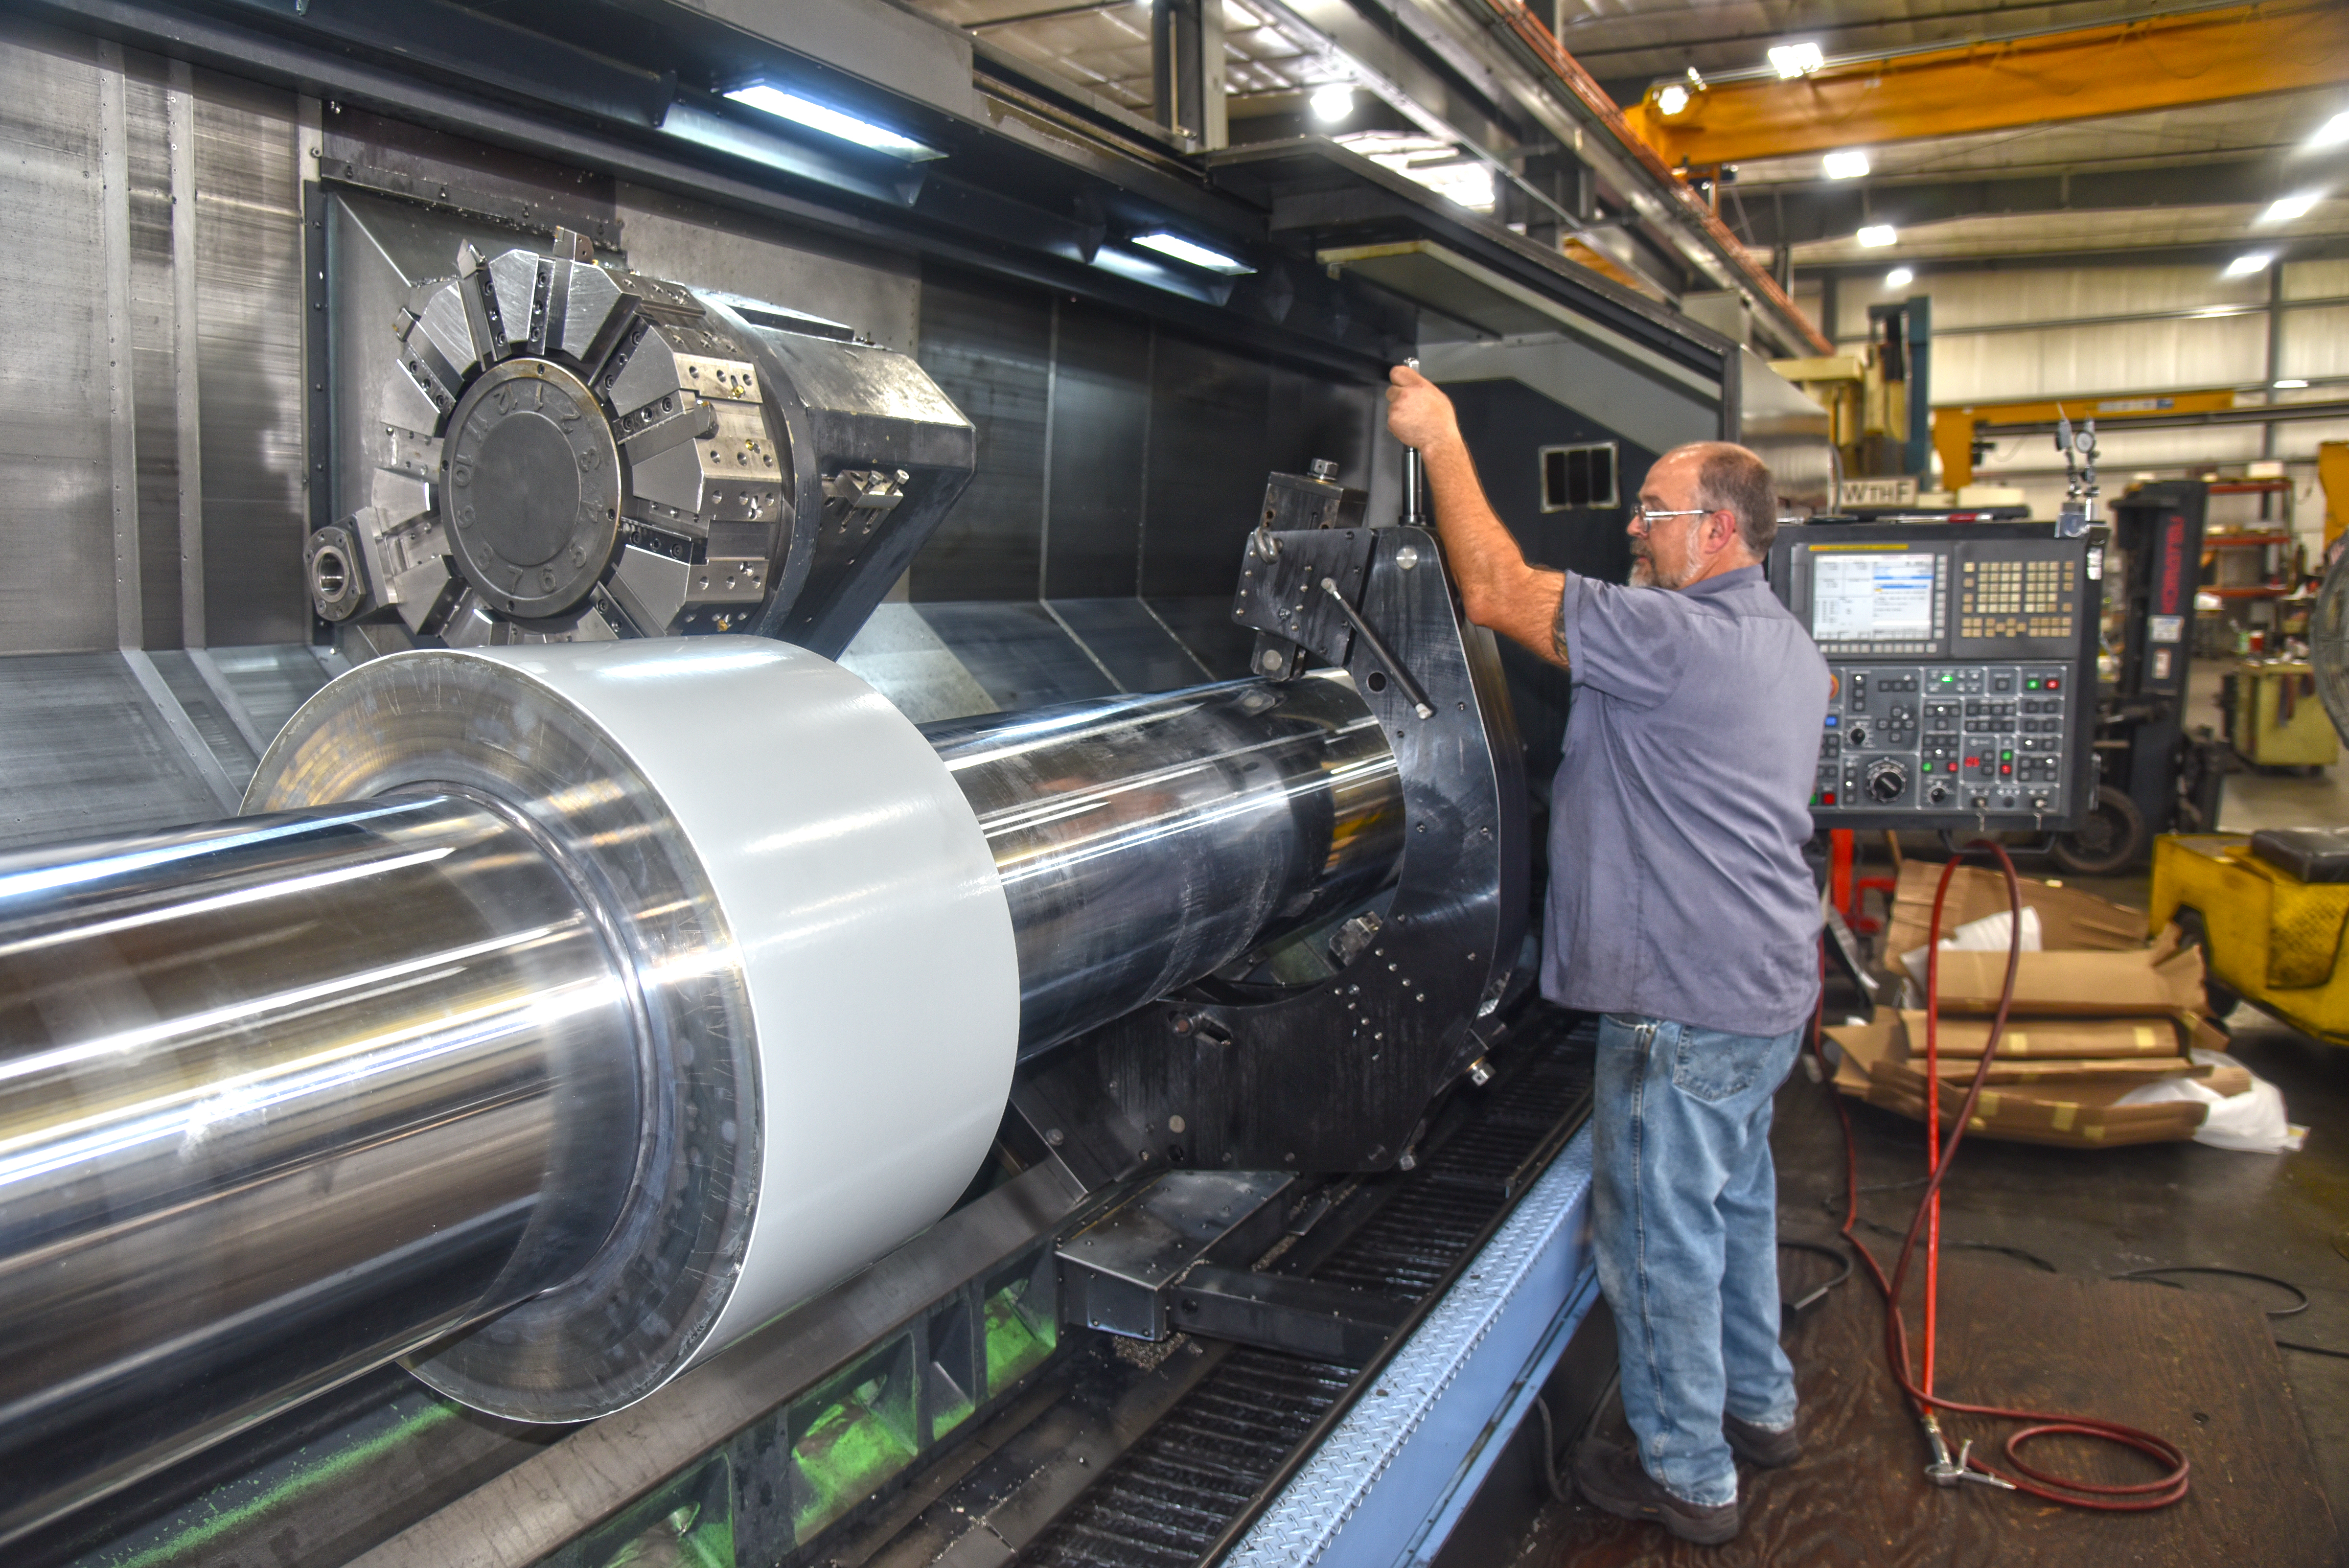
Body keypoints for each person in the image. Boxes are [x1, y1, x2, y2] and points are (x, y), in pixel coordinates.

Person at [1385, 365, 1830, 1545]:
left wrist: (1439, 437)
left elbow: (1491, 588)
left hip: (1681, 1003)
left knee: (1656, 1240)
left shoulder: (1675, 636)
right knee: (1733, 1208)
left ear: (1719, 530)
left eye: (1654, 510)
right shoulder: (1785, 643)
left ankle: (1689, 1478)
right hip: (1765, 990)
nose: (1633, 526)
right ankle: (1762, 1409)